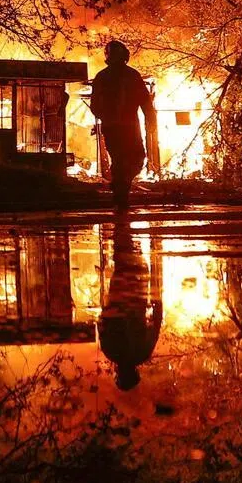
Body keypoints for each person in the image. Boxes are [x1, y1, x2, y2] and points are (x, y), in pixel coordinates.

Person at [89, 40, 156, 210]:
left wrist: (106, 117)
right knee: (134, 159)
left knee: (121, 160)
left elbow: (95, 106)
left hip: (115, 127)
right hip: (128, 127)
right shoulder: (131, 75)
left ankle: (120, 188)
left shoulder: (103, 77)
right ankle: (121, 192)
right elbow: (145, 102)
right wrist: (151, 121)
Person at [99, 222, 162, 390]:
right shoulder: (110, 351)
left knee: (135, 265)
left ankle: (126, 223)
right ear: (119, 373)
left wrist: (157, 302)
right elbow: (102, 323)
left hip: (136, 302)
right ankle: (122, 224)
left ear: (135, 372)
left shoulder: (143, 352)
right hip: (118, 299)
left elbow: (155, 324)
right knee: (122, 263)